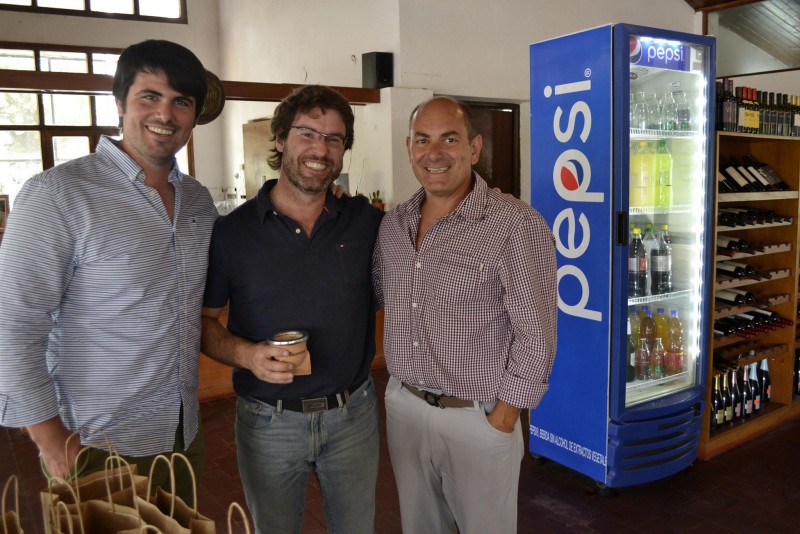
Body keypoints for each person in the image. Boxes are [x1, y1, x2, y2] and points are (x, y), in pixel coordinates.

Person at [0, 39, 216, 501]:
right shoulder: (57, 195)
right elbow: (13, 326)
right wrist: (51, 440)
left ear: (194, 116)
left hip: (182, 436)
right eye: (149, 96)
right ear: (119, 103)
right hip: (94, 443)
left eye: (181, 101)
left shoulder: (199, 202)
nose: (165, 114)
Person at [201, 84, 383, 534]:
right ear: (280, 139)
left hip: (353, 416)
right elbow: (204, 323)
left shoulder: (366, 222)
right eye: (307, 134)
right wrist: (248, 356)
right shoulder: (232, 233)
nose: (320, 149)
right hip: (269, 421)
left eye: (334, 139)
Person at [372, 96, 558, 534]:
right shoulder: (393, 226)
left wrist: (503, 419)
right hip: (405, 408)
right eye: (423, 140)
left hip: (479, 417)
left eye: (449, 139)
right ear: (409, 148)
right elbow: (382, 296)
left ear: (474, 148)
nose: (434, 153)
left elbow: (537, 334)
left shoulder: (515, 224)